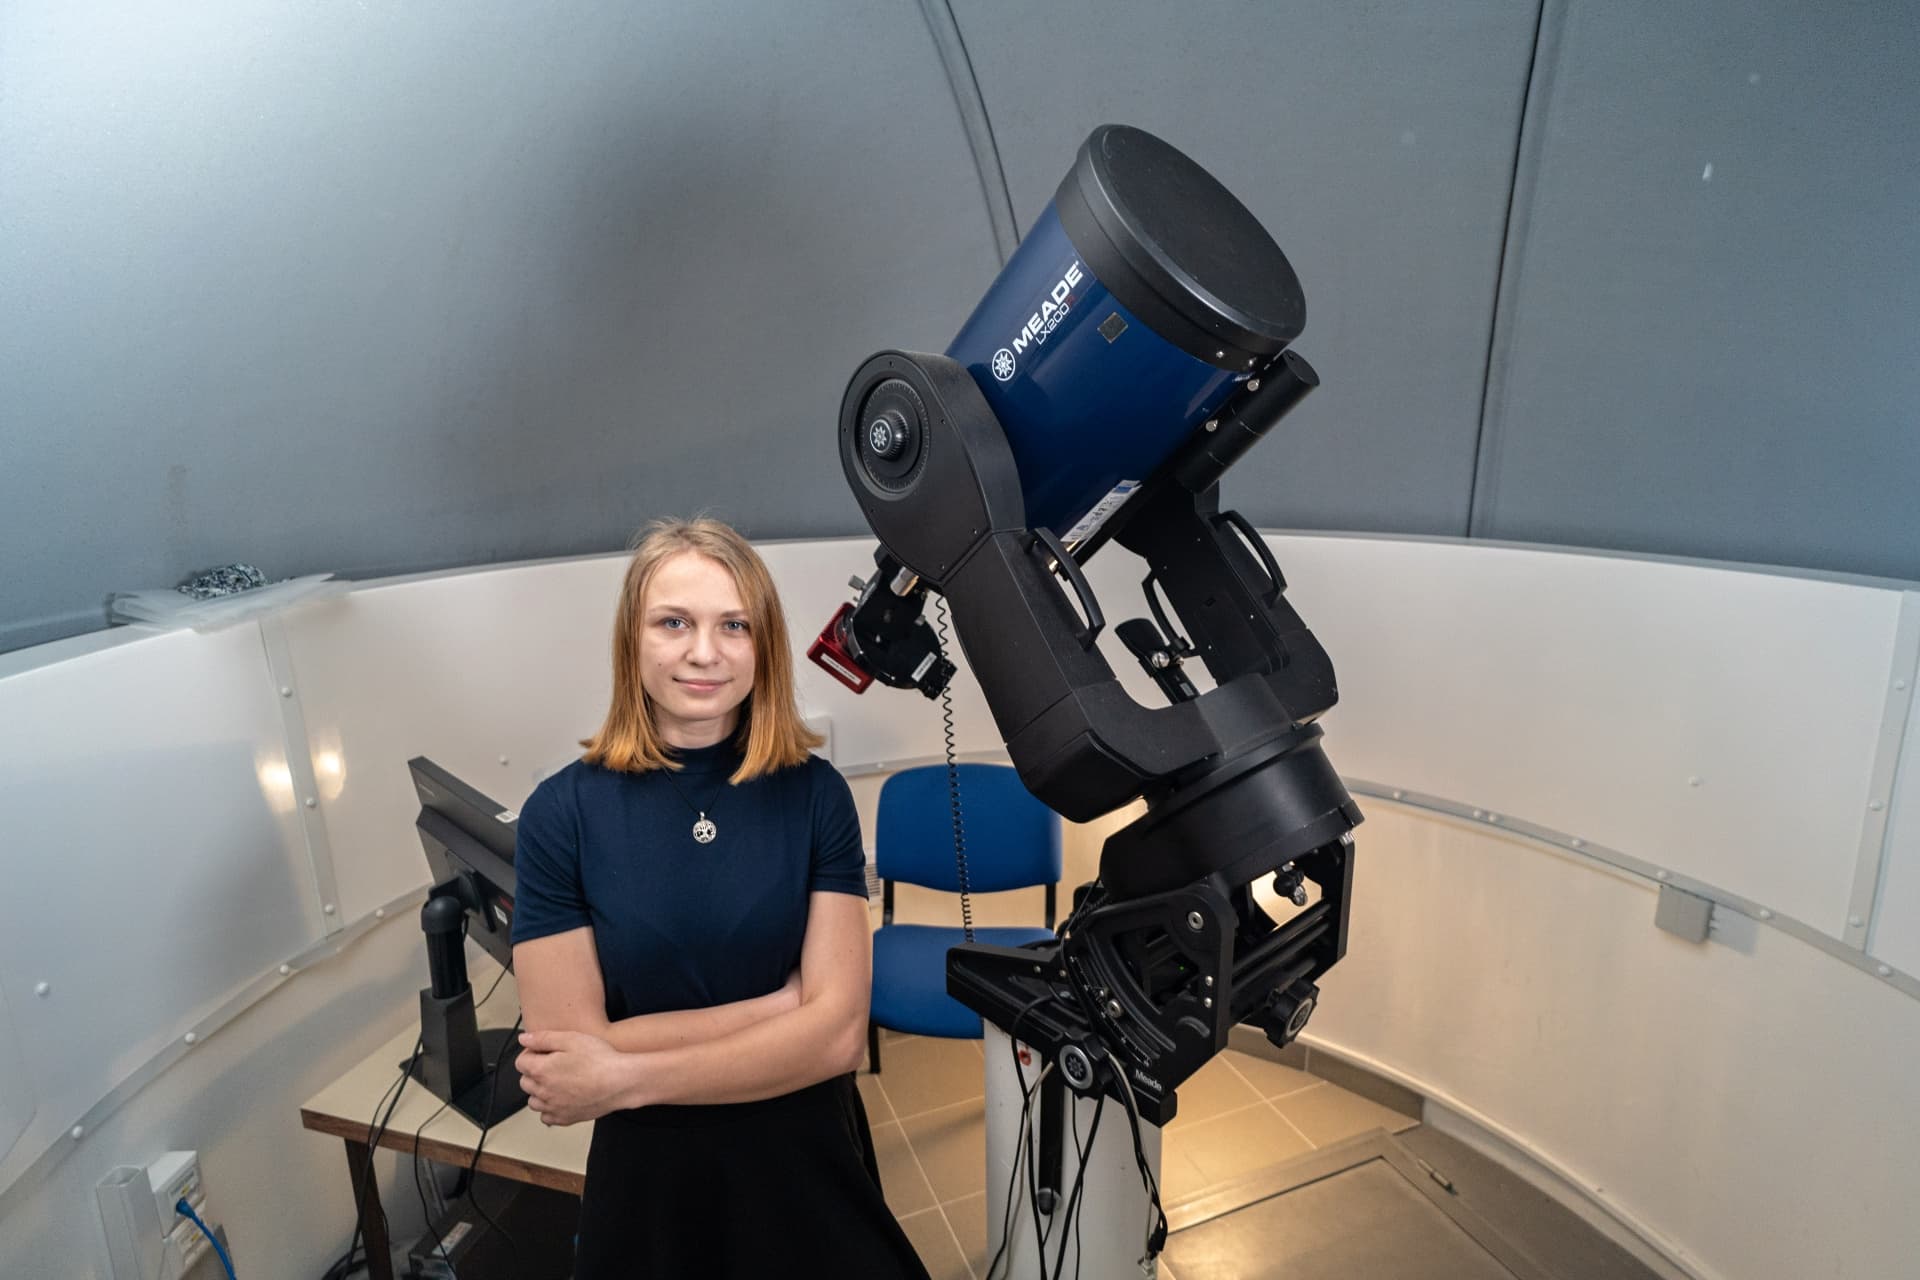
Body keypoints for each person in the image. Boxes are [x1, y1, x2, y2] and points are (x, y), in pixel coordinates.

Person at [509, 517, 930, 1278]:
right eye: (674, 622)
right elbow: (568, 1051)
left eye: (734, 625)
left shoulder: (816, 795)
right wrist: (786, 1008)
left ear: (763, 645)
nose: (705, 652)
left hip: (804, 1160)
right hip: (654, 1182)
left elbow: (838, 1039)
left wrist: (622, 1070)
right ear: (632, 640)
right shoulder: (560, 814)